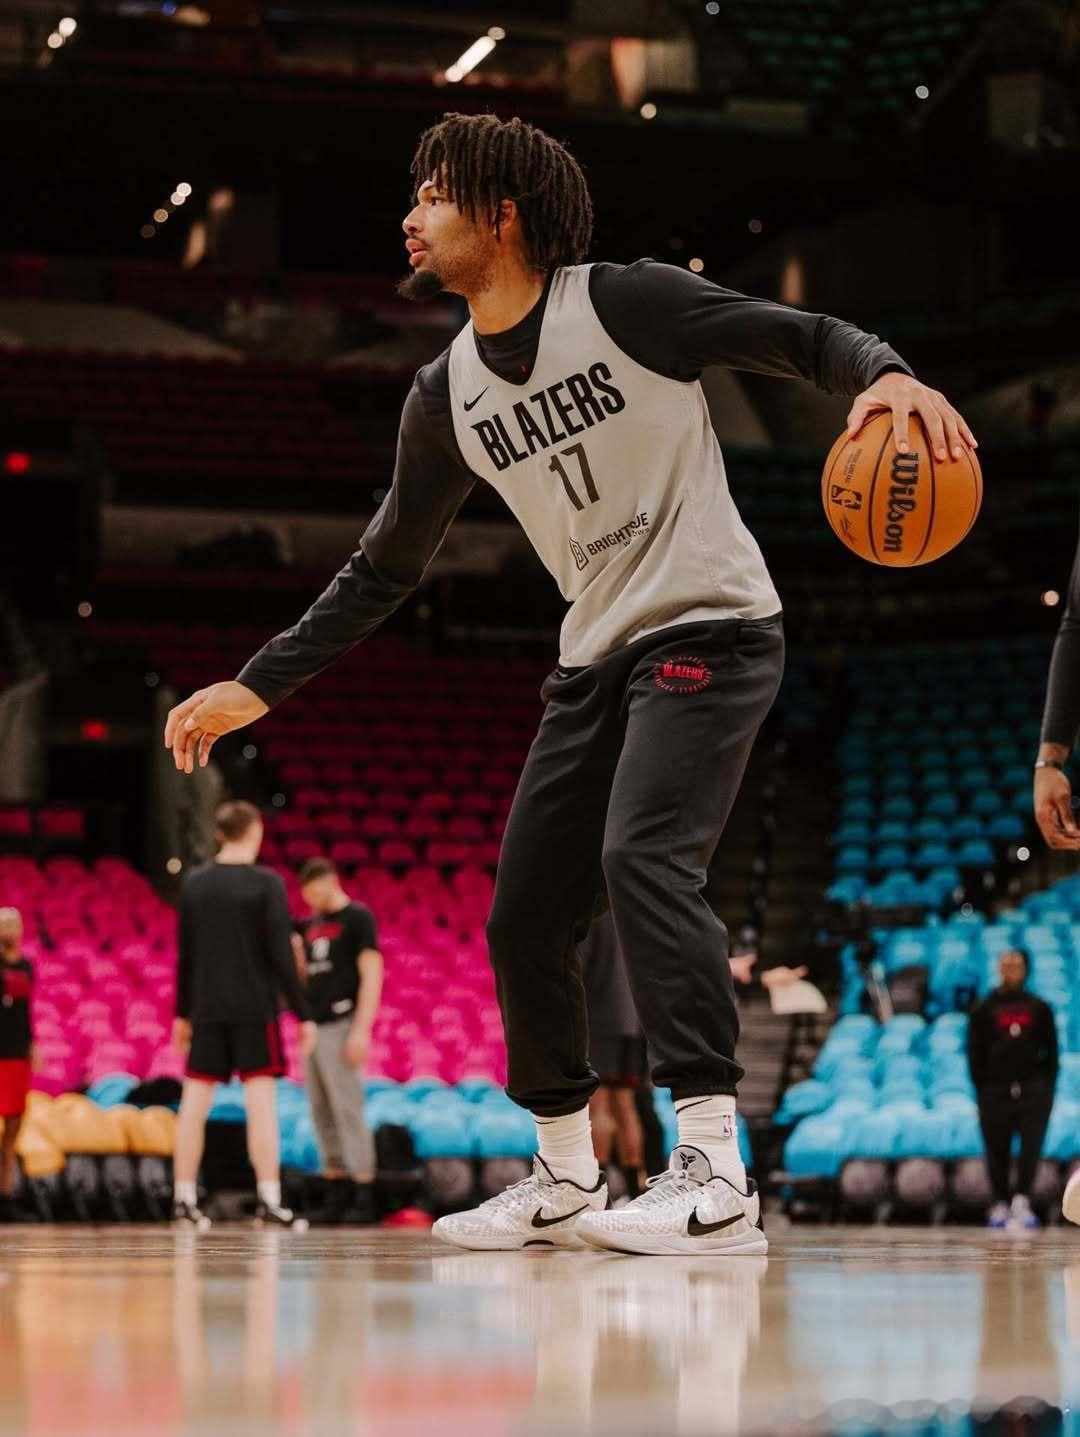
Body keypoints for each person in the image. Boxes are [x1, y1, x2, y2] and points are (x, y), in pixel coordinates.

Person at [164, 112, 977, 1256]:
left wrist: (886, 377)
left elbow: (802, 336)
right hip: (593, 655)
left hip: (712, 625)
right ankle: (563, 1172)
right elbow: (383, 569)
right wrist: (260, 684)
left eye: (435, 194)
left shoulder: (628, 304)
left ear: (501, 214)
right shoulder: (444, 394)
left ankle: (716, 1171)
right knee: (524, 916)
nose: (411, 215)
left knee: (643, 856)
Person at [172, 799, 317, 1229]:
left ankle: (182, 1199)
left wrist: (182, 1014)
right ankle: (269, 1201)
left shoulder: (195, 883)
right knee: (261, 1108)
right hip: (256, 1010)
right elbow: (280, 954)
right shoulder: (267, 883)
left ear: (219, 833)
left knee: (192, 1106)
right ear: (254, 831)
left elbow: (186, 955)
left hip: (207, 1010)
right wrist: (304, 1013)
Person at [294, 857, 383, 1224]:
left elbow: (372, 973)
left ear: (331, 881)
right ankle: (336, 1186)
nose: (312, 901)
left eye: (316, 893)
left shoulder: (358, 918)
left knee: (347, 1108)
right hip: (315, 1026)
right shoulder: (311, 925)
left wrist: (361, 1029)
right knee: (321, 1110)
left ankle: (364, 1189)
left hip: (343, 1023)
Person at [967, 948, 1058, 1231]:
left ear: (1025, 969)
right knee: (996, 1149)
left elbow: (1051, 1054)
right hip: (995, 1092)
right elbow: (974, 1053)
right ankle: (1000, 1202)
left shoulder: (1040, 1008)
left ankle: (1022, 1200)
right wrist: (983, 1088)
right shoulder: (983, 1008)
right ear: (998, 968)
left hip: (1032, 1092)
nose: (1011, 968)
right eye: (1006, 963)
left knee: (1031, 1147)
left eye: (1016, 964)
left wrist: (1045, 1089)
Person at [579, 908, 648, 1201]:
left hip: (600, 1018)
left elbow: (578, 966)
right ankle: (635, 1189)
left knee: (599, 1108)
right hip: (634, 1020)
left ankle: (599, 1190)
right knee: (626, 1106)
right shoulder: (633, 910)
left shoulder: (593, 913)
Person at [0, 907, 34, 1222]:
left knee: (13, 1129)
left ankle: (6, 1193)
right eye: (4, 925)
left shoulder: (26, 966)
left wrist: (32, 1045)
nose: (10, 930)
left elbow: (26, 1012)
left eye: (14, 924)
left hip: (17, 1056)